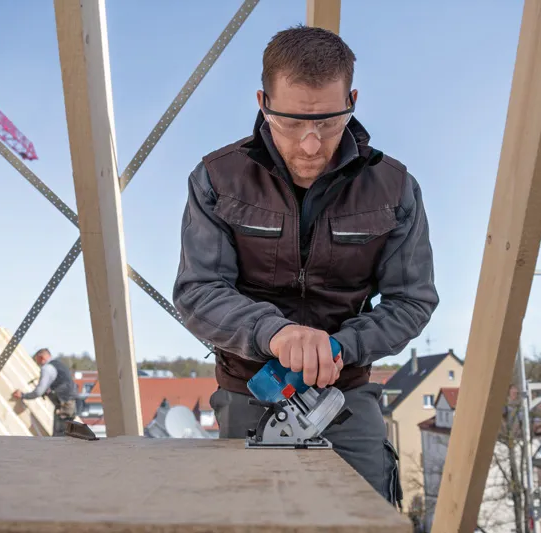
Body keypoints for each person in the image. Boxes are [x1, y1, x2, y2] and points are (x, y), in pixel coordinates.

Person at [172, 25, 438, 507]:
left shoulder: (395, 188)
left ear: (352, 101)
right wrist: (277, 334)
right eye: (292, 123)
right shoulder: (216, 179)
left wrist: (338, 347)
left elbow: (411, 301)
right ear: (263, 103)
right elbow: (198, 291)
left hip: (347, 393)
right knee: (250, 515)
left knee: (367, 515)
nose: (312, 145)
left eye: (330, 123)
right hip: (250, 391)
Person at [13, 348, 79, 437]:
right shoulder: (58, 365)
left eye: (37, 360)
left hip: (64, 406)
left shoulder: (47, 368)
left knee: (59, 437)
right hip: (70, 405)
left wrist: (23, 395)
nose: (37, 363)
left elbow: (38, 392)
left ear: (41, 358)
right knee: (65, 436)